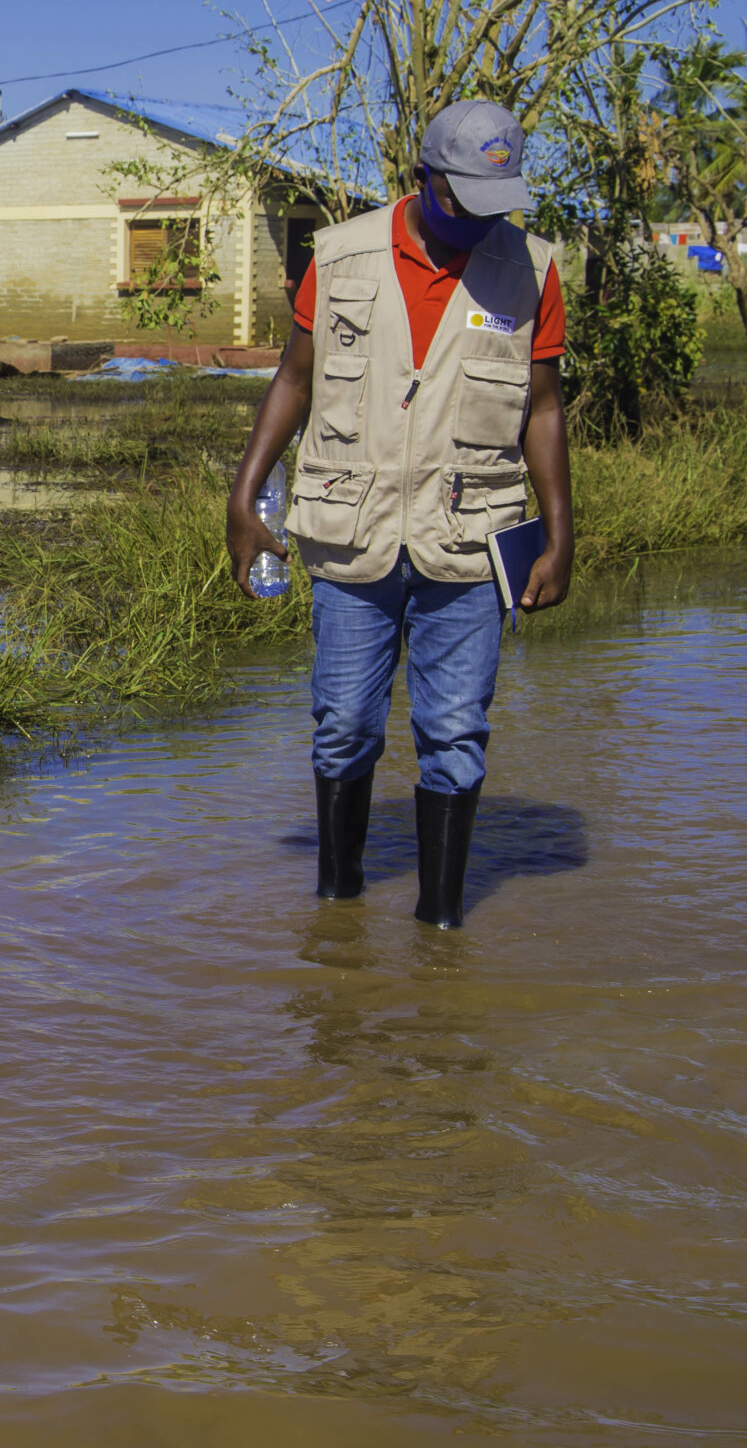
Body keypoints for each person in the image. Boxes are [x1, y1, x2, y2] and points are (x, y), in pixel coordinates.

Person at [226, 99, 575, 928]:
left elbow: (545, 409)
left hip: (471, 538)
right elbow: (294, 381)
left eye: (500, 202)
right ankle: (337, 914)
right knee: (343, 725)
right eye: (467, 202)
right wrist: (244, 493)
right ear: (427, 179)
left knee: (455, 734)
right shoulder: (341, 257)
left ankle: (441, 933)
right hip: (354, 533)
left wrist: (563, 536)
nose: (484, 222)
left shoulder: (532, 269)